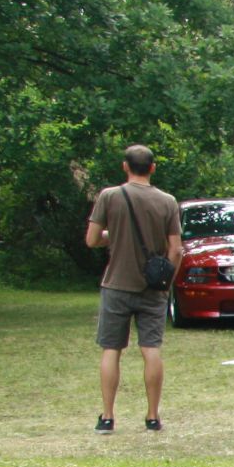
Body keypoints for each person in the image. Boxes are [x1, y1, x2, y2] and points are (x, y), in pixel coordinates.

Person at [84, 144, 182, 433]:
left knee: (111, 349)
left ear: (125, 167)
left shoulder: (110, 196)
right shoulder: (167, 201)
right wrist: (166, 280)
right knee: (151, 349)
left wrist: (113, 236)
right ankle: (152, 416)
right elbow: (175, 249)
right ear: (152, 168)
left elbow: (92, 239)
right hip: (153, 288)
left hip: (116, 284)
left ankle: (107, 416)